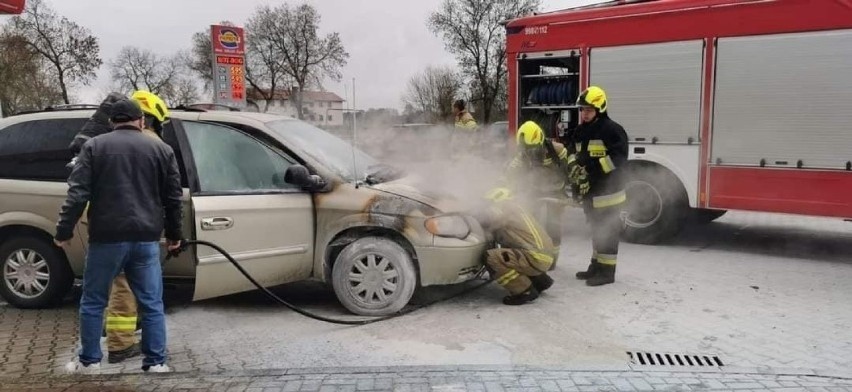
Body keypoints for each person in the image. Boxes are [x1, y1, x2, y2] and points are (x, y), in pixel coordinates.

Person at [55, 97, 183, 374]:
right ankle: (156, 362)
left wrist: (63, 231)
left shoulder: (94, 147)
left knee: (93, 301)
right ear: (141, 121)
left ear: (112, 122)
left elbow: (77, 194)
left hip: (106, 238)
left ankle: (89, 362)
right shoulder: (161, 149)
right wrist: (174, 235)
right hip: (146, 239)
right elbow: (173, 198)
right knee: (151, 303)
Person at [566, 86, 629, 286]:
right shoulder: (580, 131)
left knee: (608, 232)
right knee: (596, 231)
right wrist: (575, 171)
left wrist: (591, 171)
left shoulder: (612, 130)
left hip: (609, 193)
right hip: (591, 194)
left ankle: (607, 272)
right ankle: (596, 267)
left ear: (600, 108)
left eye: (588, 110)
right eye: (582, 110)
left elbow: (618, 158)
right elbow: (571, 153)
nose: (584, 114)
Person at [476, 187, 558, 305]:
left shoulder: (506, 211)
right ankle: (541, 281)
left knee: (491, 257)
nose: (488, 207)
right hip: (544, 256)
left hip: (534, 258)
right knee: (513, 252)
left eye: (489, 203)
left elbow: (488, 221)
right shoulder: (519, 210)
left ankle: (524, 291)